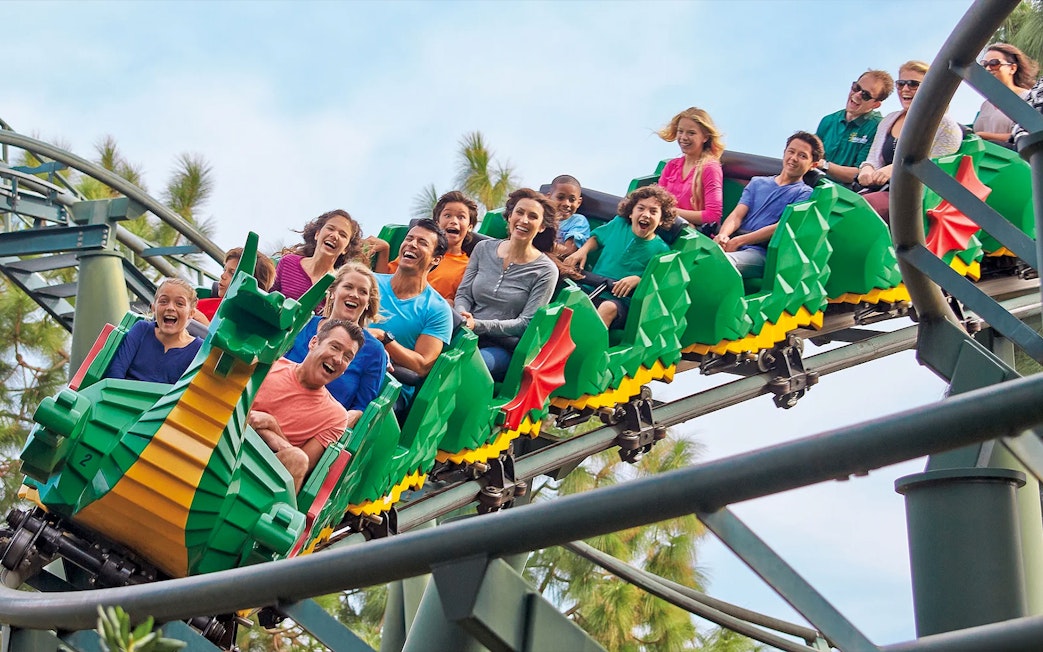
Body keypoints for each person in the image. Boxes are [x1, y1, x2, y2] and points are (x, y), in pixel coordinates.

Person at [455, 188, 559, 380]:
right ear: (510, 216)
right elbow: (464, 293)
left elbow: (525, 323)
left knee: (464, 367)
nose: (524, 220)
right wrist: (461, 315)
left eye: (533, 216)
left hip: (501, 346)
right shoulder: (483, 248)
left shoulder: (545, 271)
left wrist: (477, 324)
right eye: (519, 212)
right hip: (463, 331)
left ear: (542, 226)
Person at [249, 319, 363, 492]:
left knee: (297, 458)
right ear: (314, 342)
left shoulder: (335, 416)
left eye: (347, 357)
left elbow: (300, 465)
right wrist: (266, 431)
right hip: (229, 439)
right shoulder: (272, 366)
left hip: (264, 471)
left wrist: (271, 424)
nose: (338, 359)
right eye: (335, 347)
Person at [856, 61, 963, 222]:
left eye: (913, 84)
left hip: (914, 200)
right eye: (901, 84)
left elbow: (937, 169)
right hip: (879, 189)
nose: (905, 89)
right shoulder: (889, 120)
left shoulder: (945, 125)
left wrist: (896, 169)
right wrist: (867, 169)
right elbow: (873, 159)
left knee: (864, 209)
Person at [284, 262, 388, 428]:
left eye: (362, 292)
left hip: (317, 425)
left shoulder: (374, 351)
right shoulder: (304, 322)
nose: (354, 295)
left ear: (368, 302)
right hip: (276, 400)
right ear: (332, 292)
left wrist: (337, 422)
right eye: (348, 287)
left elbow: (362, 408)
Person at [367, 219, 454, 405]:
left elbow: (422, 365)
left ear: (436, 259)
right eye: (409, 238)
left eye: (422, 243)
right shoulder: (371, 282)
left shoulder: (437, 309)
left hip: (387, 387)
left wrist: (384, 339)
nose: (412, 244)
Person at [564, 186, 676, 329]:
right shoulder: (619, 224)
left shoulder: (662, 249)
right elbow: (597, 238)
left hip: (620, 301)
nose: (646, 215)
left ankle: (588, 346)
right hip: (591, 287)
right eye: (641, 209)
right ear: (631, 213)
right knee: (566, 294)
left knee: (608, 308)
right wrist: (583, 250)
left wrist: (639, 280)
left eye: (653, 211)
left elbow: (657, 282)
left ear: (661, 220)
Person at [714, 132, 822, 278]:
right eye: (791, 151)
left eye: (802, 156)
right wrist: (723, 235)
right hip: (736, 241)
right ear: (784, 153)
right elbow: (737, 215)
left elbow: (782, 226)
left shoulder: (805, 193)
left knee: (721, 263)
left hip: (760, 252)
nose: (794, 158)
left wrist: (740, 241)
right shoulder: (757, 182)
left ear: (812, 165)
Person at [368, 192, 478, 303]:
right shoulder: (417, 250)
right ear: (437, 223)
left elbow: (462, 300)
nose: (454, 221)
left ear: (470, 227)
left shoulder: (468, 266)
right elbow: (383, 282)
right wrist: (384, 251)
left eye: (461, 217)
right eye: (447, 215)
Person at [105, 277, 204, 383]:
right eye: (163, 301)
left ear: (191, 313)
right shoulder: (141, 330)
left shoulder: (199, 348)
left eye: (179, 304)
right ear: (153, 308)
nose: (170, 308)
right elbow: (115, 372)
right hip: (120, 395)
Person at [815, 70, 894, 185]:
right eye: (856, 88)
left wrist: (824, 165)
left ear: (875, 104)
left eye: (865, 95)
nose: (857, 95)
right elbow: (813, 156)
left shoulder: (878, 128)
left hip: (845, 195)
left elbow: (860, 174)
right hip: (813, 185)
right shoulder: (828, 120)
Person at [271, 209, 362, 308]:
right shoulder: (288, 262)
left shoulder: (340, 284)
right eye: (330, 228)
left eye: (342, 235)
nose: (334, 236)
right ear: (317, 234)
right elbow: (268, 299)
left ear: (346, 249)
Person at [656, 107, 724, 229]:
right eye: (680, 131)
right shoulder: (671, 166)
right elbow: (657, 200)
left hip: (693, 234)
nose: (683, 137)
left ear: (705, 137)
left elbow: (713, 215)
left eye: (691, 133)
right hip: (665, 225)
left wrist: (671, 213)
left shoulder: (710, 168)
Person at [973, 43, 1038, 147]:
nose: (988, 68)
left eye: (994, 63)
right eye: (985, 64)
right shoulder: (986, 105)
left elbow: (1032, 136)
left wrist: (984, 136)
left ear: (1012, 68)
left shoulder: (1028, 98)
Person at [195, 247, 276, 324]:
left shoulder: (249, 321)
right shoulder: (205, 303)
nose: (223, 276)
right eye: (224, 270)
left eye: (232, 273)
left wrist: (205, 325)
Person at [546, 174, 590, 259]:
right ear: (549, 197)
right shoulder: (542, 217)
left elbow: (568, 250)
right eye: (560, 198)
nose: (566, 204)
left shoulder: (578, 221)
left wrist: (535, 242)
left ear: (578, 203)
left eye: (572, 200)